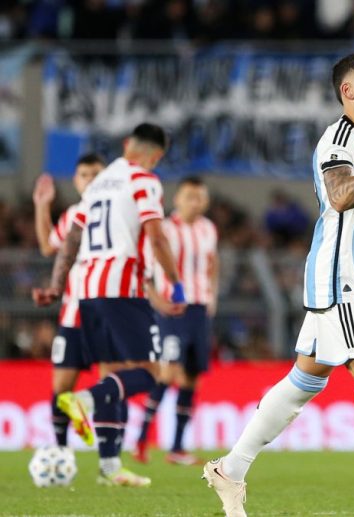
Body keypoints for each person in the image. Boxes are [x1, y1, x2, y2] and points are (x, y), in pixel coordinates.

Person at [203, 53, 354, 517]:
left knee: (303, 381)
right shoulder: (339, 138)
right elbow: (339, 195)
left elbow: (346, 210)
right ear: (348, 91)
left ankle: (231, 468)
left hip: (346, 280)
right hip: (341, 280)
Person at [33, 123, 186, 487]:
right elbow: (156, 236)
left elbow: (72, 236)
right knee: (151, 373)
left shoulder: (99, 185)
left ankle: (109, 468)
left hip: (87, 292)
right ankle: (84, 402)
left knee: (115, 375)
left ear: (127, 143)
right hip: (122, 289)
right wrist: (176, 283)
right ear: (157, 155)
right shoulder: (143, 180)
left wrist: (57, 285)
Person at [135, 176, 219, 466]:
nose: (196, 202)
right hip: (172, 309)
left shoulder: (208, 229)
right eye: (190, 196)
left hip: (199, 309)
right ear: (177, 199)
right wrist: (157, 301)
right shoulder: (165, 230)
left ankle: (177, 448)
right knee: (168, 371)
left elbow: (213, 264)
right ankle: (141, 439)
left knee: (192, 377)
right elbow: (144, 269)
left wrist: (212, 296)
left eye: (200, 197)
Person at [32, 154, 105, 448]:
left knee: (114, 382)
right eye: (85, 175)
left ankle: (109, 457)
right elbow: (48, 246)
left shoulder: (119, 214)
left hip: (108, 314)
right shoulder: (73, 215)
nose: (91, 180)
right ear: (76, 181)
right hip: (73, 315)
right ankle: (60, 451)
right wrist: (42, 205)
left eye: (96, 174)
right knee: (61, 388)